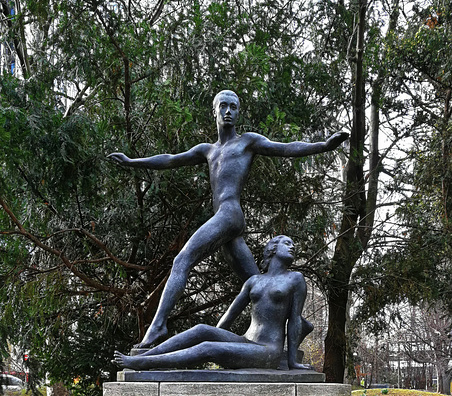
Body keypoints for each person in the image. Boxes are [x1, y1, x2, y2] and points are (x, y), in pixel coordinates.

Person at [109, 90, 348, 348]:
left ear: (238, 112)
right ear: (215, 111)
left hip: (230, 214)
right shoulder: (207, 150)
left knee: (182, 259)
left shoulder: (247, 142)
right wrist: (133, 161)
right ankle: (301, 324)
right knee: (259, 285)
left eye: (233, 107)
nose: (228, 112)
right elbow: (170, 160)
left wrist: (322, 146)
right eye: (223, 106)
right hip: (226, 223)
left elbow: (285, 148)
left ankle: (158, 327)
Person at [113, 235, 311, 371]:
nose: (292, 246)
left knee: (208, 347)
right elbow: (231, 313)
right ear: (272, 249)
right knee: (201, 329)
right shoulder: (254, 281)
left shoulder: (295, 279)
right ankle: (145, 357)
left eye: (292, 244)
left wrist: (292, 362)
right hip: (246, 340)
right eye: (287, 243)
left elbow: (295, 321)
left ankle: (141, 364)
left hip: (267, 351)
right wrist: (217, 333)